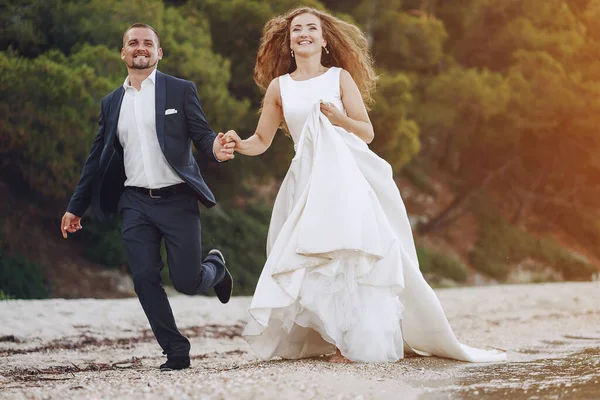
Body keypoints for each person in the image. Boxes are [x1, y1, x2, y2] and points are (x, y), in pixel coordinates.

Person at [222, 7, 507, 364]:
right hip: (308, 183)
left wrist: (340, 119)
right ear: (288, 41)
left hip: (348, 178)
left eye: (312, 28)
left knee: (350, 255)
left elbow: (367, 132)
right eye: (297, 29)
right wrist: (236, 143)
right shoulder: (281, 87)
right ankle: (335, 336)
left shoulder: (340, 77)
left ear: (325, 41)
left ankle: (350, 344)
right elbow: (261, 140)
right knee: (315, 260)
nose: (304, 33)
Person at [60, 23, 235, 371]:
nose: (141, 48)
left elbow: (201, 135)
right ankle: (176, 350)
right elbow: (96, 160)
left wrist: (216, 148)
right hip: (135, 202)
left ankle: (215, 266)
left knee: (186, 282)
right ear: (123, 53)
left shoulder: (180, 90)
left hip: (178, 200)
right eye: (133, 43)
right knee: (143, 278)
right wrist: (75, 207)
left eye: (148, 43)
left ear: (159, 52)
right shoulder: (112, 103)